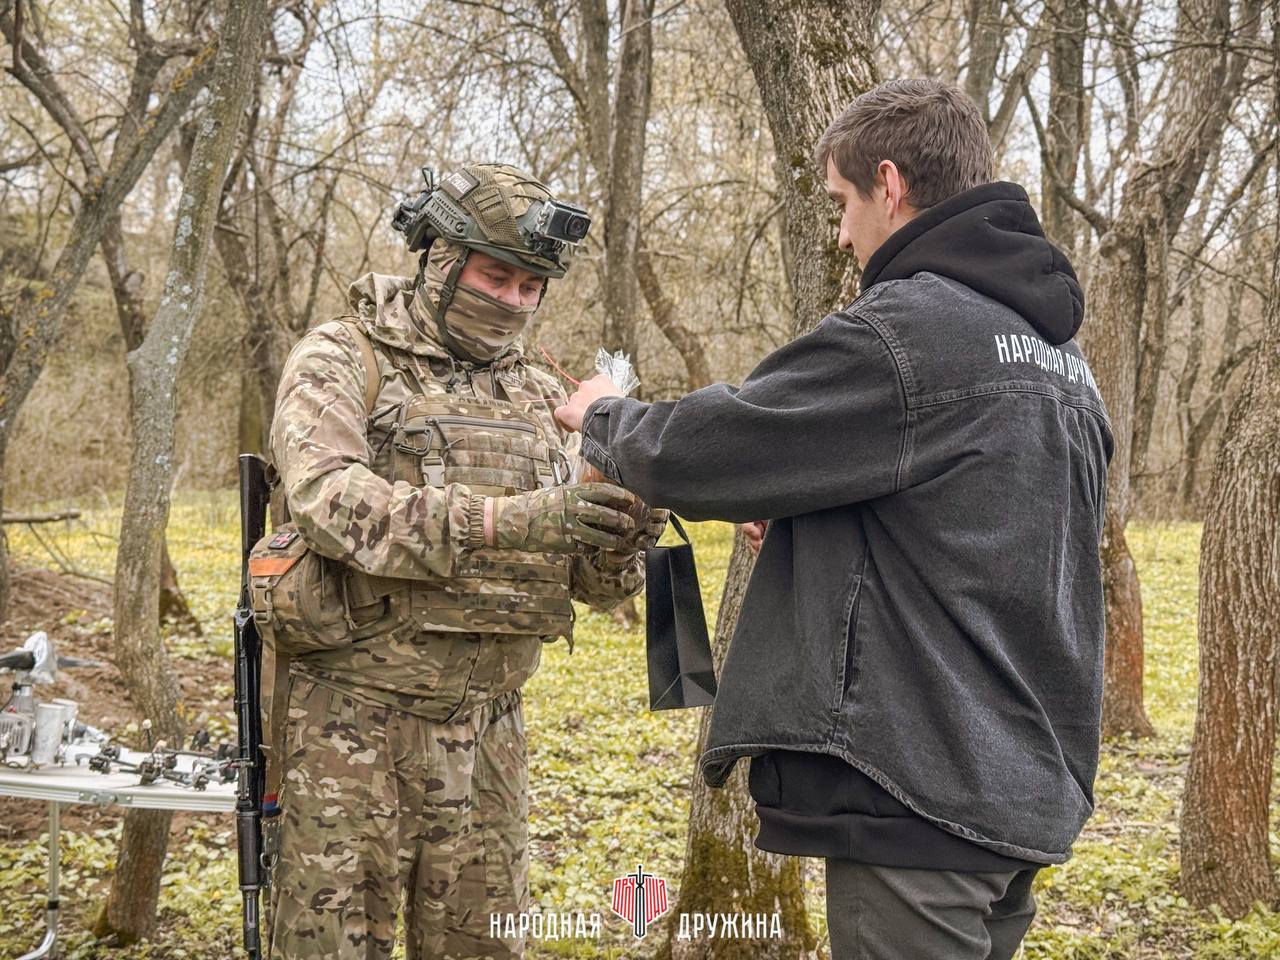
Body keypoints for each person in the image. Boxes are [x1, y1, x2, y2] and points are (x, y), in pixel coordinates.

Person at [556, 79, 1112, 959]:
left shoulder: (910, 331)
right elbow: (989, 538)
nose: (844, 234)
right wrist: (819, 539)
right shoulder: (1056, 354)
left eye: (843, 203)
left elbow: (710, 446)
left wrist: (603, 414)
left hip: (922, 793)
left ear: (889, 184)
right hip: (1021, 781)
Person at [263, 161, 665, 959]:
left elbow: (584, 581)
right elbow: (327, 501)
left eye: (530, 287)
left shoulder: (541, 393)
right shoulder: (343, 358)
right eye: (498, 276)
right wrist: (504, 521)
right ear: (442, 262)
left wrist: (621, 532)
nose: (514, 301)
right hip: (356, 729)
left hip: (490, 736)